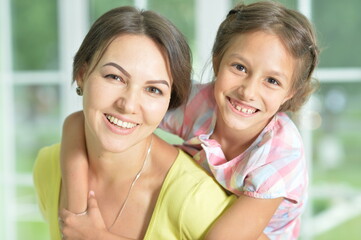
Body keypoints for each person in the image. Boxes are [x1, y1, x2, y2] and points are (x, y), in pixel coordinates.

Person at [59, 1, 320, 239]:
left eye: (272, 81)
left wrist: (98, 236)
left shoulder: (280, 156)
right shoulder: (198, 104)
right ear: (218, 61)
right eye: (239, 67)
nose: (248, 91)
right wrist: (78, 216)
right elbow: (79, 122)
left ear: (290, 93)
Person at [33, 6, 236, 240]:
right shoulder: (48, 167)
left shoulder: (192, 197)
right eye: (114, 77)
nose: (128, 105)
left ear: (170, 101)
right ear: (82, 74)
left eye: (153, 89)